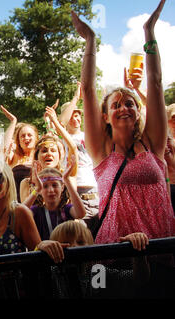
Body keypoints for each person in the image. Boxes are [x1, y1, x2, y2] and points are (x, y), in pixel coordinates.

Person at [71, 0, 175, 244]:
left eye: (130, 104)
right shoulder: (102, 150)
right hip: (117, 254)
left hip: (162, 246)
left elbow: (156, 83)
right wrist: (90, 42)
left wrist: (149, 32)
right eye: (116, 105)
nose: (124, 108)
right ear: (105, 116)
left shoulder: (153, 144)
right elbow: (87, 89)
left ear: (138, 112)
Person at [58, 82, 99, 231]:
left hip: (94, 191)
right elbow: (60, 122)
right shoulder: (60, 137)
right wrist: (76, 97)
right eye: (72, 116)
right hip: (74, 190)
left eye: (78, 116)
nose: (75, 119)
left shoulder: (88, 135)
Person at [24, 157, 86, 241]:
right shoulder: (37, 211)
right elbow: (20, 213)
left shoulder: (67, 209)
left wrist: (67, 180)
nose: (51, 190)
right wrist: (37, 189)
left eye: (55, 185)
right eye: (45, 186)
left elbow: (81, 214)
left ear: (62, 187)